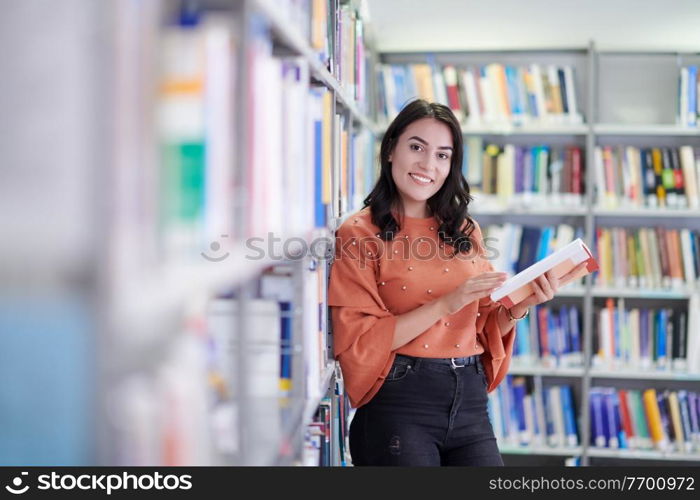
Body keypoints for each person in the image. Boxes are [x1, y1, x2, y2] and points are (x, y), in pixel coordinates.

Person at [327, 98, 587, 466]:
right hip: (401, 402)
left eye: (442, 155)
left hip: (470, 398)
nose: (427, 165)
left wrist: (521, 306)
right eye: (416, 147)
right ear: (390, 151)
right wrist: (444, 304)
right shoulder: (359, 233)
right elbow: (358, 341)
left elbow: (482, 320)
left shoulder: (464, 230)